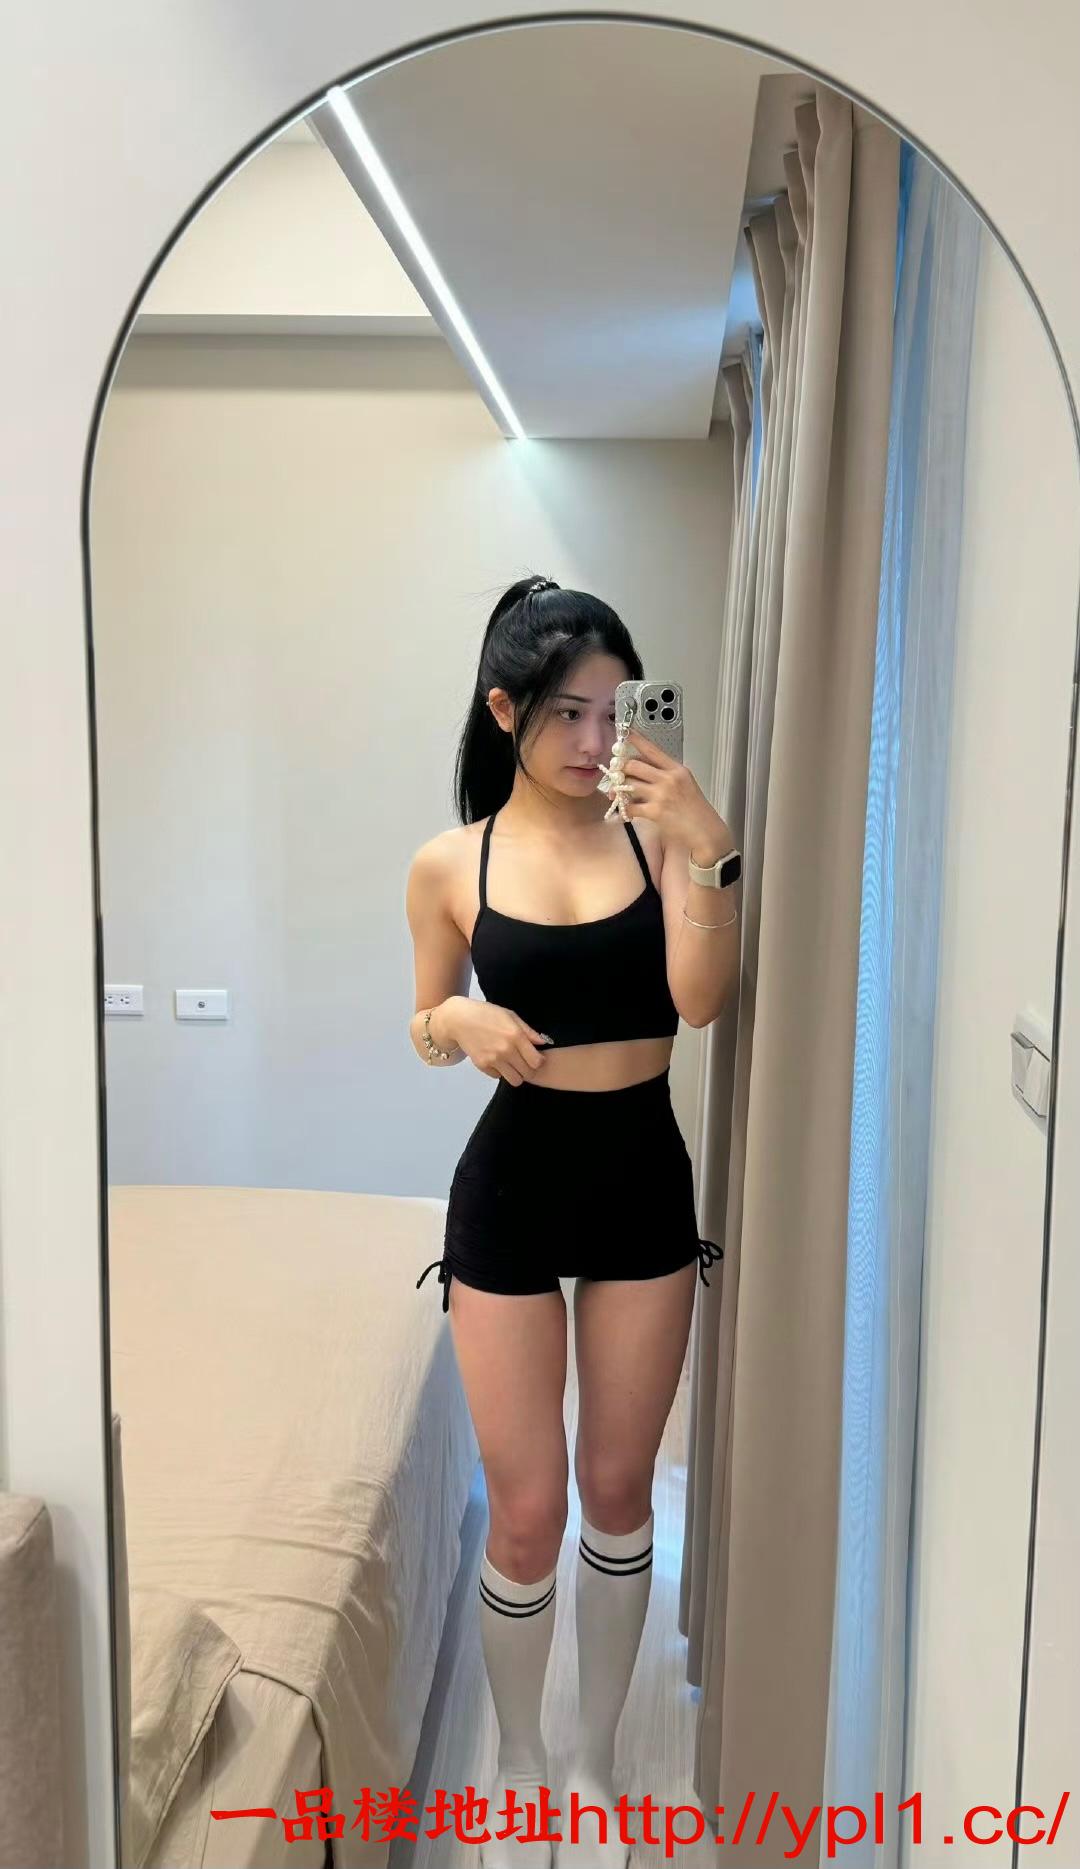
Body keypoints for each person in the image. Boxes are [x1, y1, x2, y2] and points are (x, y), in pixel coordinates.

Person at [406, 576, 740, 1868]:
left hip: (641, 1175)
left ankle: (594, 1761)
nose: (600, 740)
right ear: (505, 711)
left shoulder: (656, 838)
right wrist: (458, 1017)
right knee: (528, 1506)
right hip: (510, 1186)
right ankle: (518, 1760)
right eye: (569, 715)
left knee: (615, 1486)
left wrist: (706, 841)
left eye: (615, 711)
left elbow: (700, 1001)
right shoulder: (454, 862)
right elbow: (425, 1022)